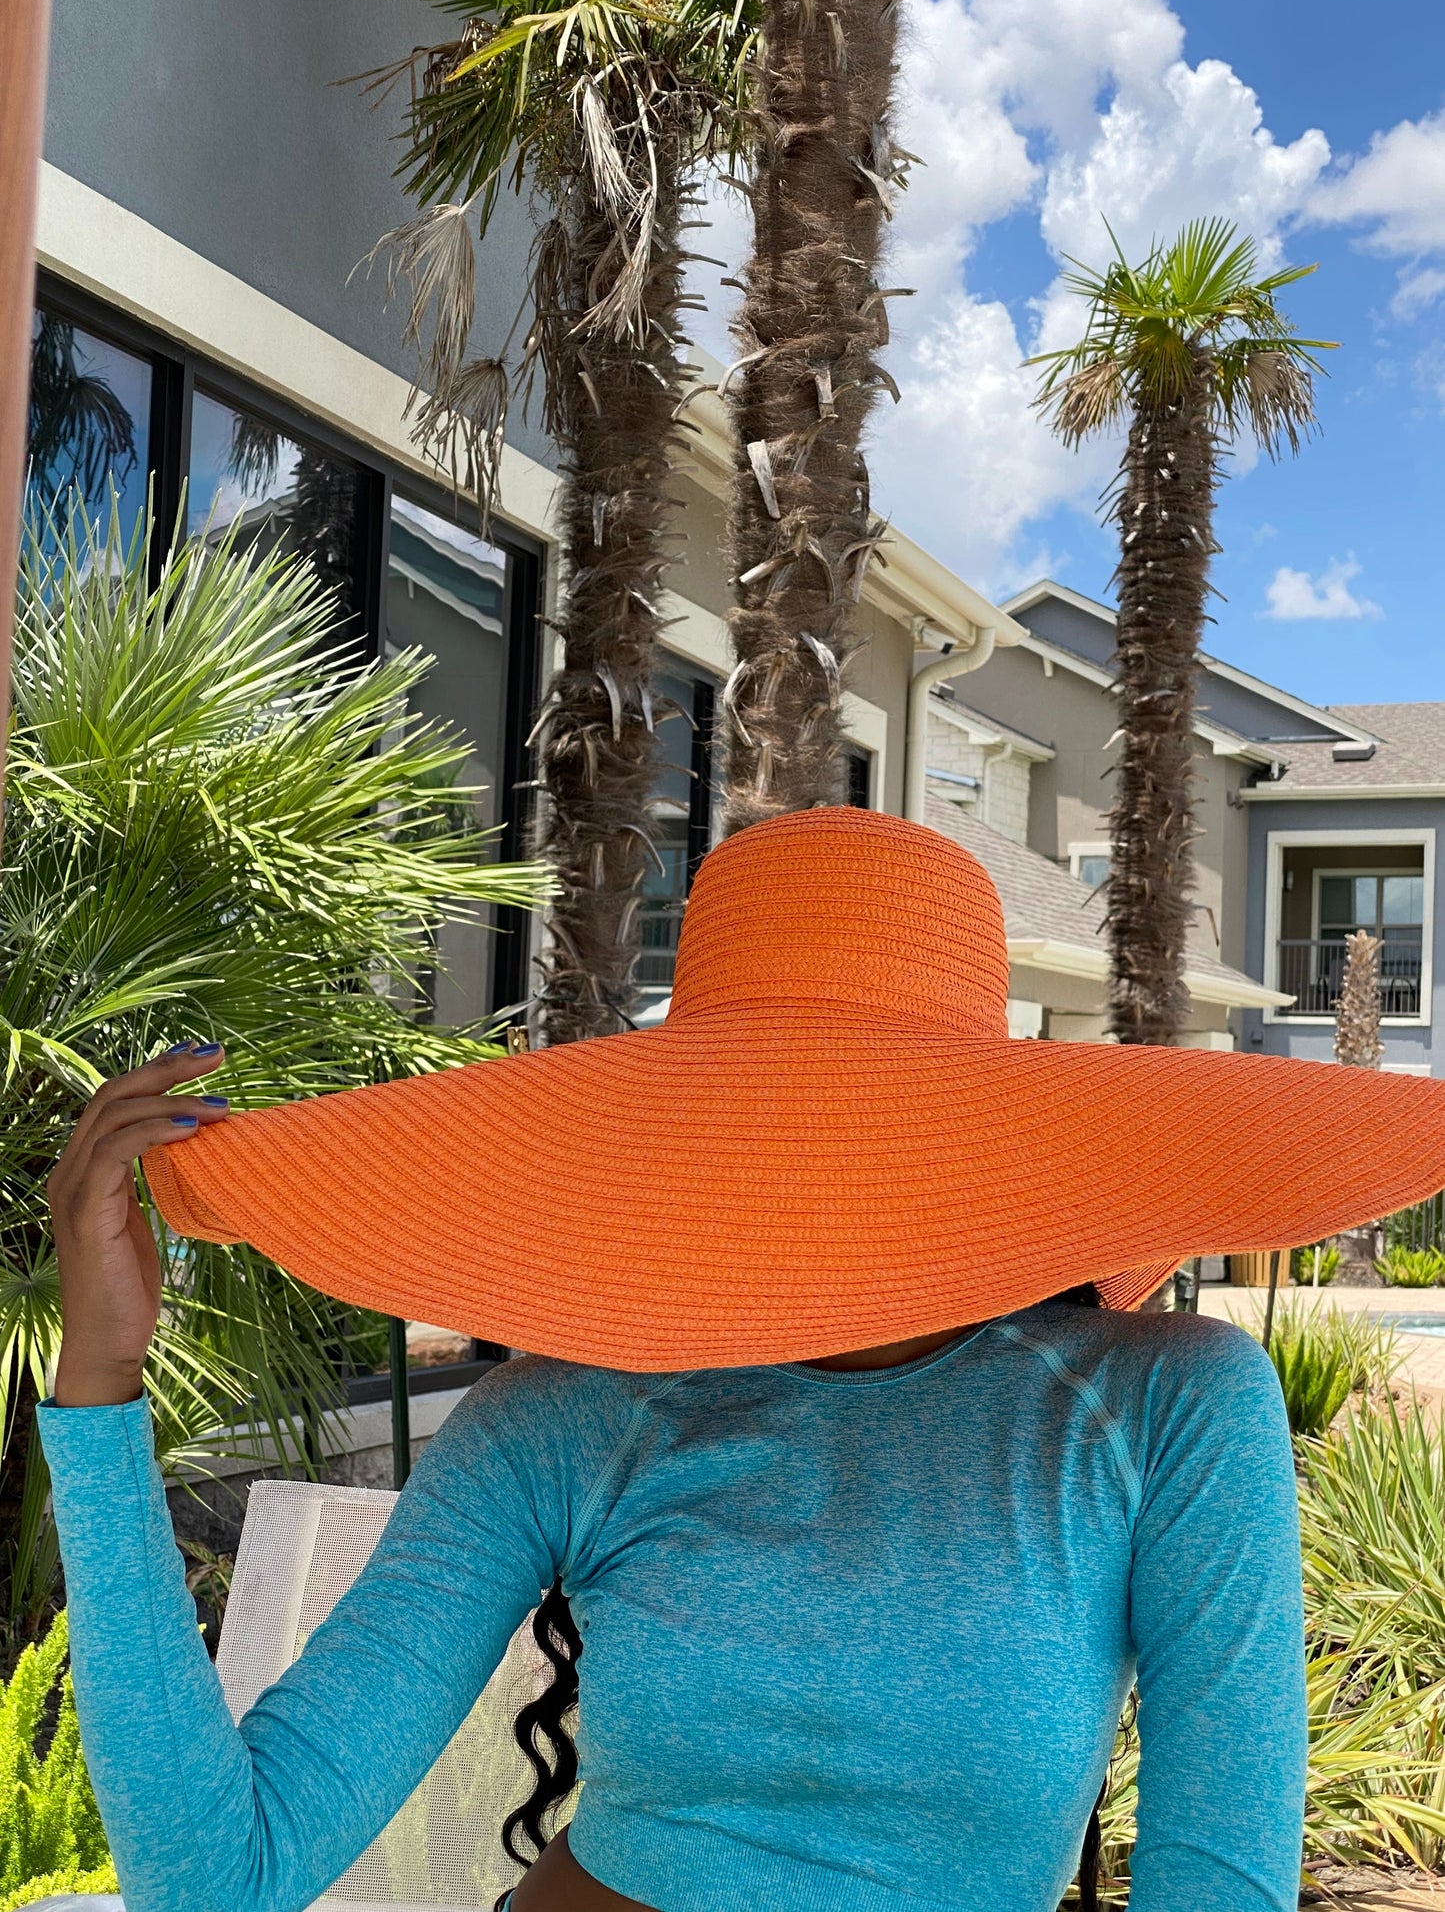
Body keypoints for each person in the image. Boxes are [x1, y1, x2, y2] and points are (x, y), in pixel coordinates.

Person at [39, 808, 1445, 1912]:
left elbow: (1218, 1882)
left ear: (999, 1137)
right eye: (768, 1114)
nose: (818, 1153)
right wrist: (96, 1395)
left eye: (873, 1113)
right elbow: (217, 1880)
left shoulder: (1165, 1406)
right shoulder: (561, 1422)